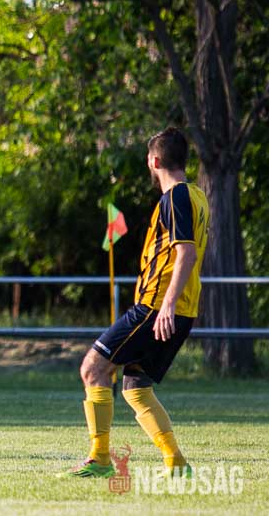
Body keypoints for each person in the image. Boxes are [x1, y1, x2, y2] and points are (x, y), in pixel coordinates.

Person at [64, 127, 209, 478]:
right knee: (135, 388)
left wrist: (167, 303)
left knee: (93, 368)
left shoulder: (176, 196)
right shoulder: (198, 196)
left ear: (154, 161)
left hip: (157, 307)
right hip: (179, 308)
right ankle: (176, 463)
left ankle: (100, 459)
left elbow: (186, 253)